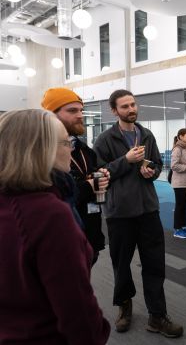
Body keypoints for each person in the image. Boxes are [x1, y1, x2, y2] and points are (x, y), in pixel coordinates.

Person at [0, 109, 110, 344]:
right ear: (42, 150)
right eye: (65, 143)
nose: (71, 150)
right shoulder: (49, 214)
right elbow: (78, 311)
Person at [93, 89, 183, 337]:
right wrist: (126, 160)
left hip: (148, 210)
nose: (131, 109)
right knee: (121, 264)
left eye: (133, 105)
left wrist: (151, 171)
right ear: (114, 111)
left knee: (154, 264)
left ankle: (157, 315)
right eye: (125, 107)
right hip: (119, 213)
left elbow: (156, 164)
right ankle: (124, 306)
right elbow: (99, 175)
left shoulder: (147, 134)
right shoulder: (105, 140)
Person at [41, 87, 109, 265]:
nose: (80, 115)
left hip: (90, 232)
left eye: (81, 110)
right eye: (72, 110)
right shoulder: (40, 154)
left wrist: (102, 177)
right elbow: (49, 199)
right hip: (61, 241)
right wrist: (88, 186)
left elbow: (90, 175)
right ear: (51, 116)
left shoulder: (85, 150)